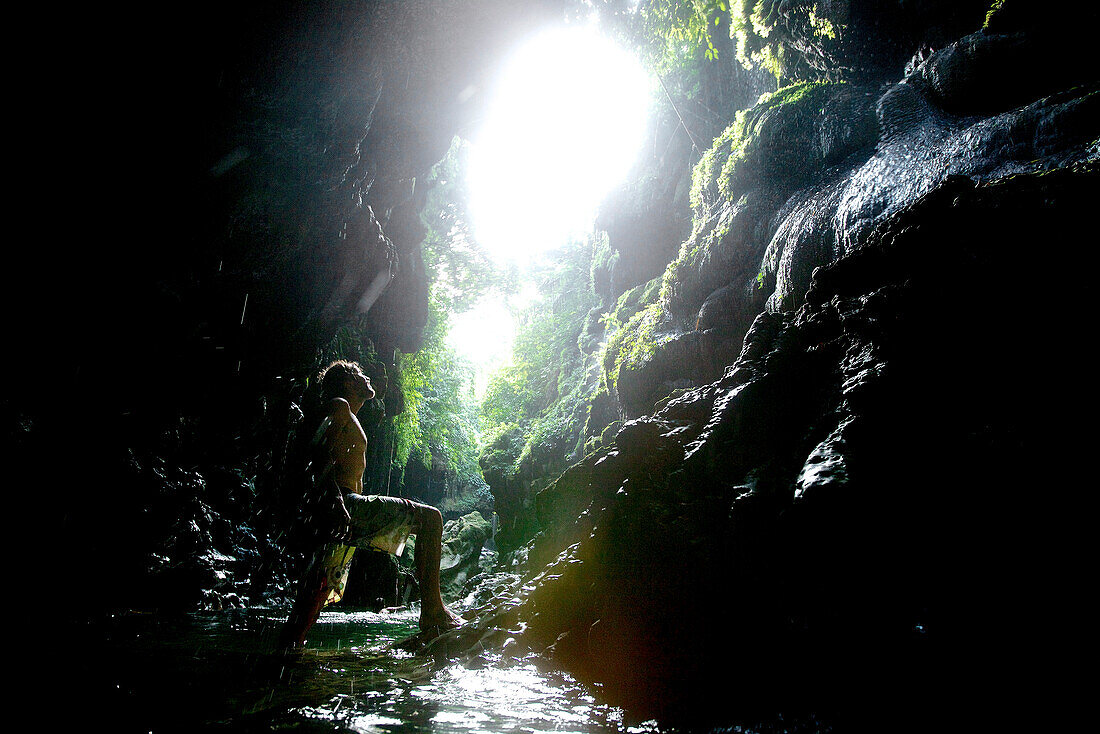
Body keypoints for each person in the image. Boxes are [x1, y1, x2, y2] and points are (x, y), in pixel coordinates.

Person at [280, 360, 463, 649]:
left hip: (334, 512)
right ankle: (433, 614)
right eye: (361, 375)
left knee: (314, 594)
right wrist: (336, 498)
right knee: (430, 519)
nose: (368, 378)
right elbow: (317, 452)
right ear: (349, 382)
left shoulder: (348, 414)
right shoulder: (338, 405)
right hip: (343, 505)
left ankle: (287, 652)